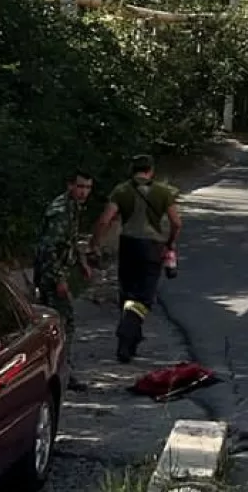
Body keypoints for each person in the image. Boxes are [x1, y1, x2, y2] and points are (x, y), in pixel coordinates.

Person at [90, 155, 181, 363]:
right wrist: (170, 242)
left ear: (132, 170)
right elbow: (176, 222)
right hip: (153, 247)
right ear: (151, 170)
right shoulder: (162, 192)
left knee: (128, 291)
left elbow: (105, 220)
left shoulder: (121, 190)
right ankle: (126, 332)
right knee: (144, 296)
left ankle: (131, 339)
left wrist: (94, 244)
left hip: (128, 245)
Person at [33, 170, 94, 391]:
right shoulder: (60, 211)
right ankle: (60, 372)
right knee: (62, 323)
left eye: (87, 187)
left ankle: (57, 369)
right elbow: (49, 249)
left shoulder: (73, 208)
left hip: (59, 271)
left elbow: (70, 241)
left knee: (57, 323)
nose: (84, 192)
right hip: (50, 275)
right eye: (80, 187)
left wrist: (82, 263)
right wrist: (58, 280)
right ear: (70, 186)